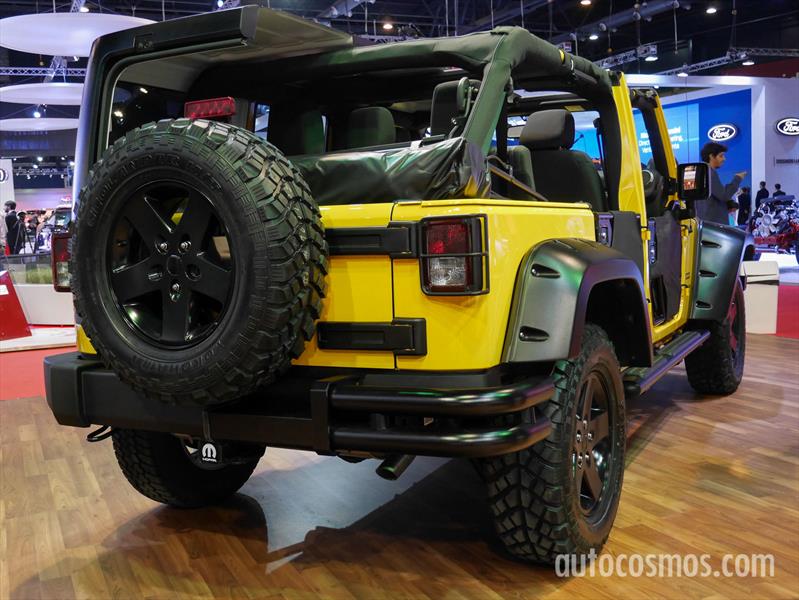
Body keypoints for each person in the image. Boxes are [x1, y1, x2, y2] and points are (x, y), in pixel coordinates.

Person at [697, 142, 747, 225]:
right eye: (721, 156)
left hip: (705, 224)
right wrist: (738, 178)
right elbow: (724, 195)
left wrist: (727, 205)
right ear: (711, 156)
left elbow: (711, 199)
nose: (724, 159)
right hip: (714, 227)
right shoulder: (710, 172)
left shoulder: (701, 172)